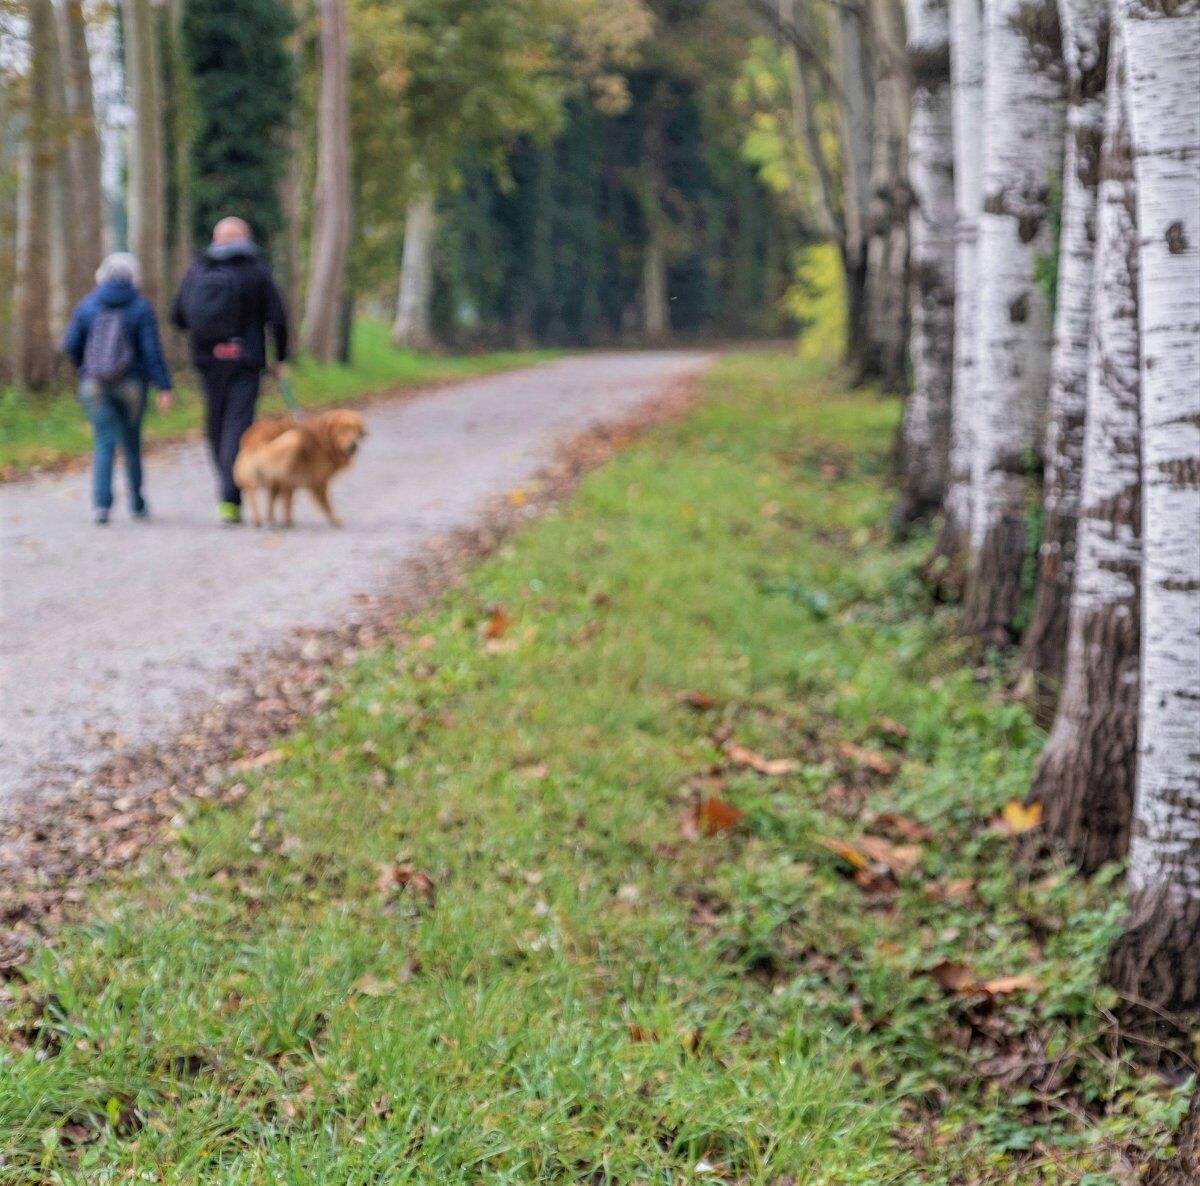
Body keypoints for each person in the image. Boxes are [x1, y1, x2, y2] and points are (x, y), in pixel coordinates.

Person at [172, 217, 290, 524]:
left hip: (207, 361)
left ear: (216, 239)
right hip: (246, 360)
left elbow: (178, 316)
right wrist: (280, 357)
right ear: (246, 238)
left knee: (215, 424)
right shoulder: (256, 270)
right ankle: (231, 494)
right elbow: (277, 317)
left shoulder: (198, 269)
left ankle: (228, 493)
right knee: (237, 427)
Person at [63, 253, 174, 525]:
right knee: (132, 444)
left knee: (104, 442)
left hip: (95, 384)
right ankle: (137, 502)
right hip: (132, 384)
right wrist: (163, 385)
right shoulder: (139, 307)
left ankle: (101, 505)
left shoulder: (88, 305)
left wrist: (86, 368)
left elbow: (70, 344)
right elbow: (151, 351)